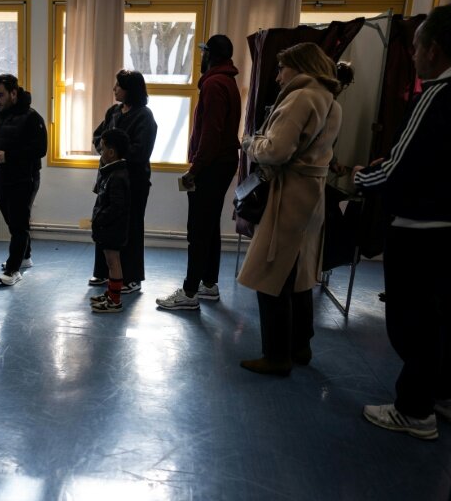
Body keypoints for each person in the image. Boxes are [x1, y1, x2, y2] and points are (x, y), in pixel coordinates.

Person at [356, 5, 451, 440]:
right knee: (437, 319)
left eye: (415, 47)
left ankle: (414, 410)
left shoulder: (435, 93)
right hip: (442, 227)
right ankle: (438, 393)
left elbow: (395, 168)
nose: (412, 55)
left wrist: (359, 177)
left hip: (420, 229)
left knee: (411, 323)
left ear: (433, 50)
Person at [237, 43, 343, 376]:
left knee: (271, 276)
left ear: (299, 66)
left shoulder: (300, 98)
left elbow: (276, 149)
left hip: (290, 194)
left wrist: (250, 143)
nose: (278, 75)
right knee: (299, 276)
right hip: (311, 194)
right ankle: (300, 345)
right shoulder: (330, 99)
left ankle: (276, 355)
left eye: (282, 68)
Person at [156, 35, 241, 311]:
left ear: (211, 55)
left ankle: (190, 292)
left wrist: (195, 169)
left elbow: (211, 135)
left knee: (198, 230)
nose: (200, 57)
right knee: (210, 226)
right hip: (222, 163)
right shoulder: (226, 80)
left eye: (203, 52)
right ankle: (208, 284)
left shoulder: (215, 84)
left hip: (213, 165)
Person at [91, 70, 157, 294]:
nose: (114, 89)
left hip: (133, 182)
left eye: (118, 85)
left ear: (131, 90)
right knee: (104, 222)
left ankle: (132, 277)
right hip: (107, 178)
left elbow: (141, 151)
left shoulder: (144, 117)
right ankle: (103, 272)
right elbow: (98, 137)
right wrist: (105, 148)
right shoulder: (114, 111)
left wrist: (114, 152)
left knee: (131, 227)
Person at [0, 74, 47, 286]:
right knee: (13, 223)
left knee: (18, 225)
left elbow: (40, 149)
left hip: (24, 178)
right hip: (0, 177)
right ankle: (25, 257)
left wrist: (10, 155)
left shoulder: (32, 117)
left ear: (14, 93)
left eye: (0, 94)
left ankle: (13, 269)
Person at [89, 129, 131, 313]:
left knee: (113, 262)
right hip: (109, 228)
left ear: (111, 152)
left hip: (112, 228)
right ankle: (111, 293)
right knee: (110, 262)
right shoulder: (111, 173)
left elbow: (117, 206)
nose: (100, 151)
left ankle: (115, 301)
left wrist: (99, 219)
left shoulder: (117, 176)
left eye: (103, 148)